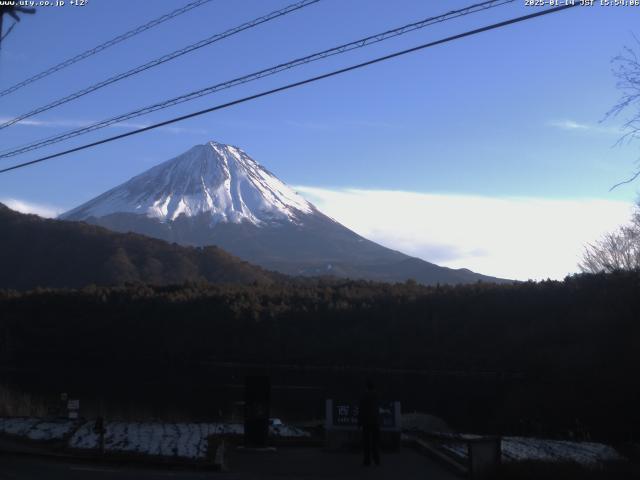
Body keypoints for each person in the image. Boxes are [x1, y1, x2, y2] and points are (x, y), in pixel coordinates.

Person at [358, 379, 380, 466]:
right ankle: (377, 460)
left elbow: (361, 410)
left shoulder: (364, 396)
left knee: (366, 442)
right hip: (375, 422)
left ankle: (367, 461)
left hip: (366, 422)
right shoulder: (377, 395)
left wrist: (359, 422)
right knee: (375, 442)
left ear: (367, 387)